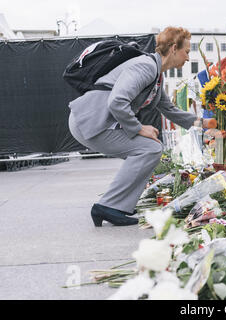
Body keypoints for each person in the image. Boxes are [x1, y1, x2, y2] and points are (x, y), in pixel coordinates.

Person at [68, 27, 210, 227]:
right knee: (150, 148)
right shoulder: (145, 67)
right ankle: (108, 206)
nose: (188, 58)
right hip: (89, 121)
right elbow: (117, 101)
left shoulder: (156, 75)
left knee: (149, 149)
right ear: (173, 48)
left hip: (95, 122)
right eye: (186, 51)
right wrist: (139, 128)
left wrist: (205, 124)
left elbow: (170, 110)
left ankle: (119, 205)